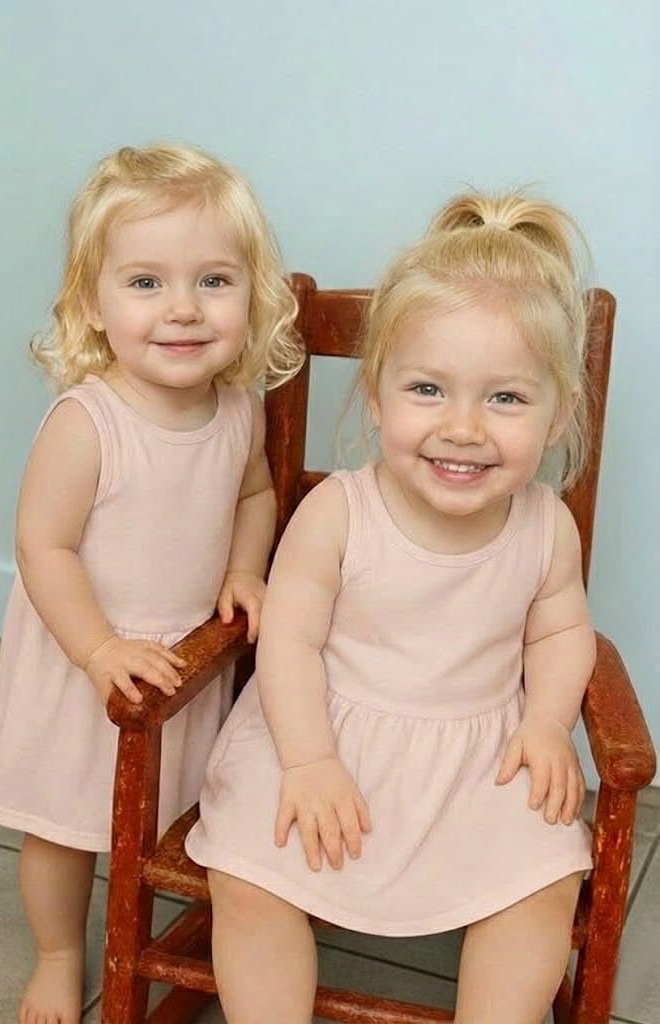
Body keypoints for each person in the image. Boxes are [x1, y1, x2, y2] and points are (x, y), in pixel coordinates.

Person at [185, 190, 596, 1024]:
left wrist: (547, 721)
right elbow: (288, 644)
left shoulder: (543, 525)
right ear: (375, 397)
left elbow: (560, 630)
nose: (463, 428)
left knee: (543, 880)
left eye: (506, 399)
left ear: (557, 414)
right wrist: (308, 761)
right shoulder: (339, 512)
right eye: (427, 389)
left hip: (479, 750)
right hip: (319, 729)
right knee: (249, 879)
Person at [0, 141, 302, 1024]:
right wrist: (97, 649)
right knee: (63, 827)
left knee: (160, 815)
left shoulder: (236, 410)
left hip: (178, 661)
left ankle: (179, 926)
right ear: (93, 302)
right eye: (146, 282)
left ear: (252, 293)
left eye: (214, 281)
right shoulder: (89, 422)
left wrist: (243, 567)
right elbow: (44, 546)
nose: (183, 308)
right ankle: (58, 954)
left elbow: (253, 493)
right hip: (86, 657)